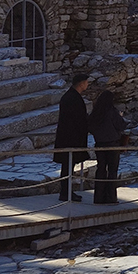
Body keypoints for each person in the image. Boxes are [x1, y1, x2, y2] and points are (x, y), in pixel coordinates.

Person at [54, 73, 90, 202]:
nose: (87, 85)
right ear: (81, 83)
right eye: (86, 82)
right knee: (67, 166)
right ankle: (65, 193)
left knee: (68, 166)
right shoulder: (72, 98)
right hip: (70, 139)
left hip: (70, 138)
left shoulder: (71, 96)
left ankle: (67, 192)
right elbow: (75, 119)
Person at [87, 89, 126, 204]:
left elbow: (90, 127)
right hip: (113, 145)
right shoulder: (112, 112)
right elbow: (121, 125)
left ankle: (99, 197)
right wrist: (120, 116)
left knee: (101, 169)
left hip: (100, 144)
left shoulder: (96, 113)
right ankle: (111, 198)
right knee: (112, 171)